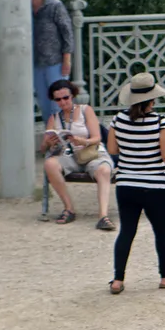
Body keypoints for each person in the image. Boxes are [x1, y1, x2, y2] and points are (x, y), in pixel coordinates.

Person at [107, 72, 165, 294]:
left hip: (126, 183)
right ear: (153, 98)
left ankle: (118, 279)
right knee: (161, 231)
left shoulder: (118, 120)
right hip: (154, 185)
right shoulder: (160, 122)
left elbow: (112, 150)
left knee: (127, 231)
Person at [41, 80, 113, 230]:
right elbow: (43, 147)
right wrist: (50, 142)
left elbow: (97, 137)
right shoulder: (54, 117)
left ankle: (103, 216)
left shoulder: (86, 110)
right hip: (68, 156)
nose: (62, 102)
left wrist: (83, 141)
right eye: (58, 99)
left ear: (72, 96)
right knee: (50, 164)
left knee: (104, 170)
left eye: (65, 98)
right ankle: (69, 208)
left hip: (90, 153)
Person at [31, 0, 74, 123]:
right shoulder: (24, 9)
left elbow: (67, 32)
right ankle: (52, 139)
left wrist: (67, 58)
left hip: (55, 62)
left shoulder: (54, 5)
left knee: (60, 103)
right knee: (44, 104)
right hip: (35, 64)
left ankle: (67, 137)